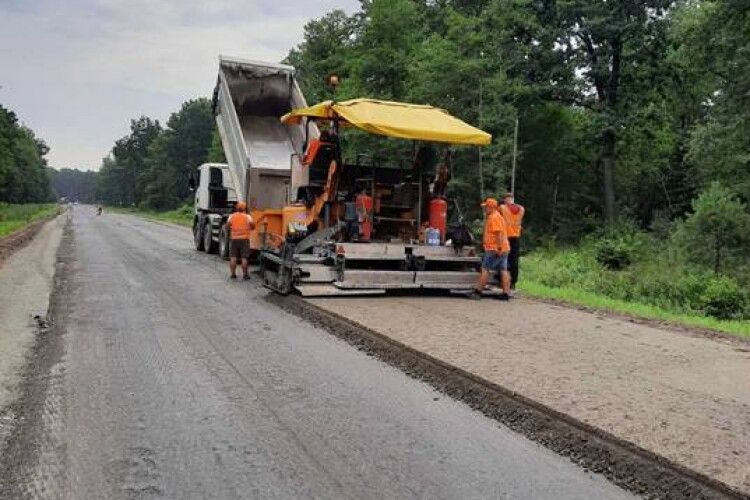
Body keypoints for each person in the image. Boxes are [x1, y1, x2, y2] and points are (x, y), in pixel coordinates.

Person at [469, 198, 511, 300]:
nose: (484, 209)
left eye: (486, 207)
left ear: (490, 207)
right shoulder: (496, 216)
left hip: (494, 248)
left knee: (485, 269)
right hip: (503, 248)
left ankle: (477, 292)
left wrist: (499, 248)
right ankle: (505, 294)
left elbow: (498, 234)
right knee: (503, 270)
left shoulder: (494, 217)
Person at [499, 192, 525, 290]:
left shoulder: (502, 208)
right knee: (514, 260)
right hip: (516, 237)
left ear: (505, 199)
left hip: (505, 237)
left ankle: (503, 282)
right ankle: (513, 282)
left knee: (503, 259)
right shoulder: (521, 209)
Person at [226, 201, 255, 280]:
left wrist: (233, 230)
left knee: (233, 257)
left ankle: (233, 274)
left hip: (234, 239)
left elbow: (227, 226)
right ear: (244, 208)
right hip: (244, 239)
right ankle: (245, 275)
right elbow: (253, 226)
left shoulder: (231, 216)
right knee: (244, 258)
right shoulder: (248, 217)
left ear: (236, 208)